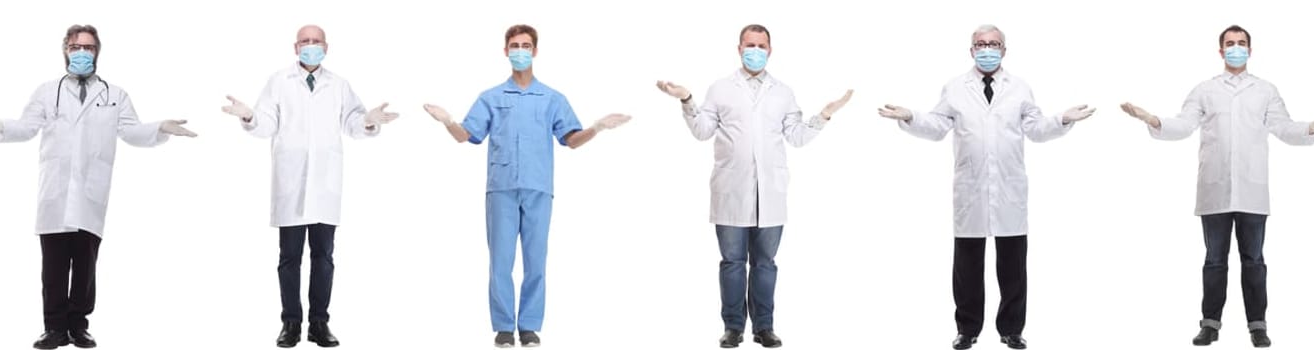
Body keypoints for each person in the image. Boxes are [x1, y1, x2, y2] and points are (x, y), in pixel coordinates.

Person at [0, 24, 198, 350]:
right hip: (55, 194)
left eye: (88, 47)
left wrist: (161, 128)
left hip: (90, 194)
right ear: (65, 51)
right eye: (74, 47)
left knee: (85, 266)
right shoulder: (46, 92)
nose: (81, 53)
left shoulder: (115, 95)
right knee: (53, 267)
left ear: (97, 52)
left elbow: (133, 132)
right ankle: (54, 328)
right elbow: (26, 127)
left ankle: (79, 326)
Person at [1118, 25, 1314, 348]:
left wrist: (1312, 127)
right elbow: (1183, 124)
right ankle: (1210, 324)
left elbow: (1283, 127)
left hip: (1252, 190)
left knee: (1254, 259)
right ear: (1221, 51)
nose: (1236, 48)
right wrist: (1153, 120)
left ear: (1250, 50)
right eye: (1230, 44)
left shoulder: (1265, 90)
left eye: (1241, 43)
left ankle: (1258, 325)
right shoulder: (1205, 90)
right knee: (1214, 260)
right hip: (1215, 190)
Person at [875, 24, 1092, 350]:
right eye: (980, 44)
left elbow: (1035, 128)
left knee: (1013, 266)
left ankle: (1011, 329)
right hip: (971, 191)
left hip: (1009, 191)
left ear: (1004, 50)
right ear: (971, 50)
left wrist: (1062, 119)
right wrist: (910, 116)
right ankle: (967, 329)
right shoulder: (955, 88)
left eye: (993, 44)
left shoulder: (1019, 88)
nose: (986, 49)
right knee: (967, 267)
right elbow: (937, 126)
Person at [420, 24, 631, 348]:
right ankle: (504, 327)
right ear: (505, 51)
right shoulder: (490, 97)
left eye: (526, 45)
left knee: (536, 261)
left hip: (538, 188)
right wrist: (448, 121)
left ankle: (530, 326)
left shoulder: (551, 98)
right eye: (515, 45)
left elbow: (570, 140)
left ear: (535, 51)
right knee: (500, 262)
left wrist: (597, 127)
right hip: (501, 189)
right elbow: (468, 136)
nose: (520, 50)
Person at [654, 24, 853, 349]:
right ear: (739, 48)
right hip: (731, 190)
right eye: (750, 45)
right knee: (732, 263)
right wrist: (687, 99)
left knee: (765, 264)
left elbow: (797, 137)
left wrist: (825, 115)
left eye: (761, 45)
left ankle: (764, 327)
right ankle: (733, 328)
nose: (755, 51)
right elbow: (702, 131)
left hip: (771, 192)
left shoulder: (783, 91)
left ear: (770, 50)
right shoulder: (720, 88)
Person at [218, 24, 398, 349]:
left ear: (326, 47)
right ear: (295, 46)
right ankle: (290, 323)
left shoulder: (339, 85)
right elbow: (266, 123)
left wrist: (368, 119)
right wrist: (249, 117)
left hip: (325, 186)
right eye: (305, 41)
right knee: (289, 258)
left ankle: (319, 323)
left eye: (316, 41)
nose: (310, 46)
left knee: (324, 257)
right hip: (291, 183)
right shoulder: (279, 81)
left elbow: (353, 124)